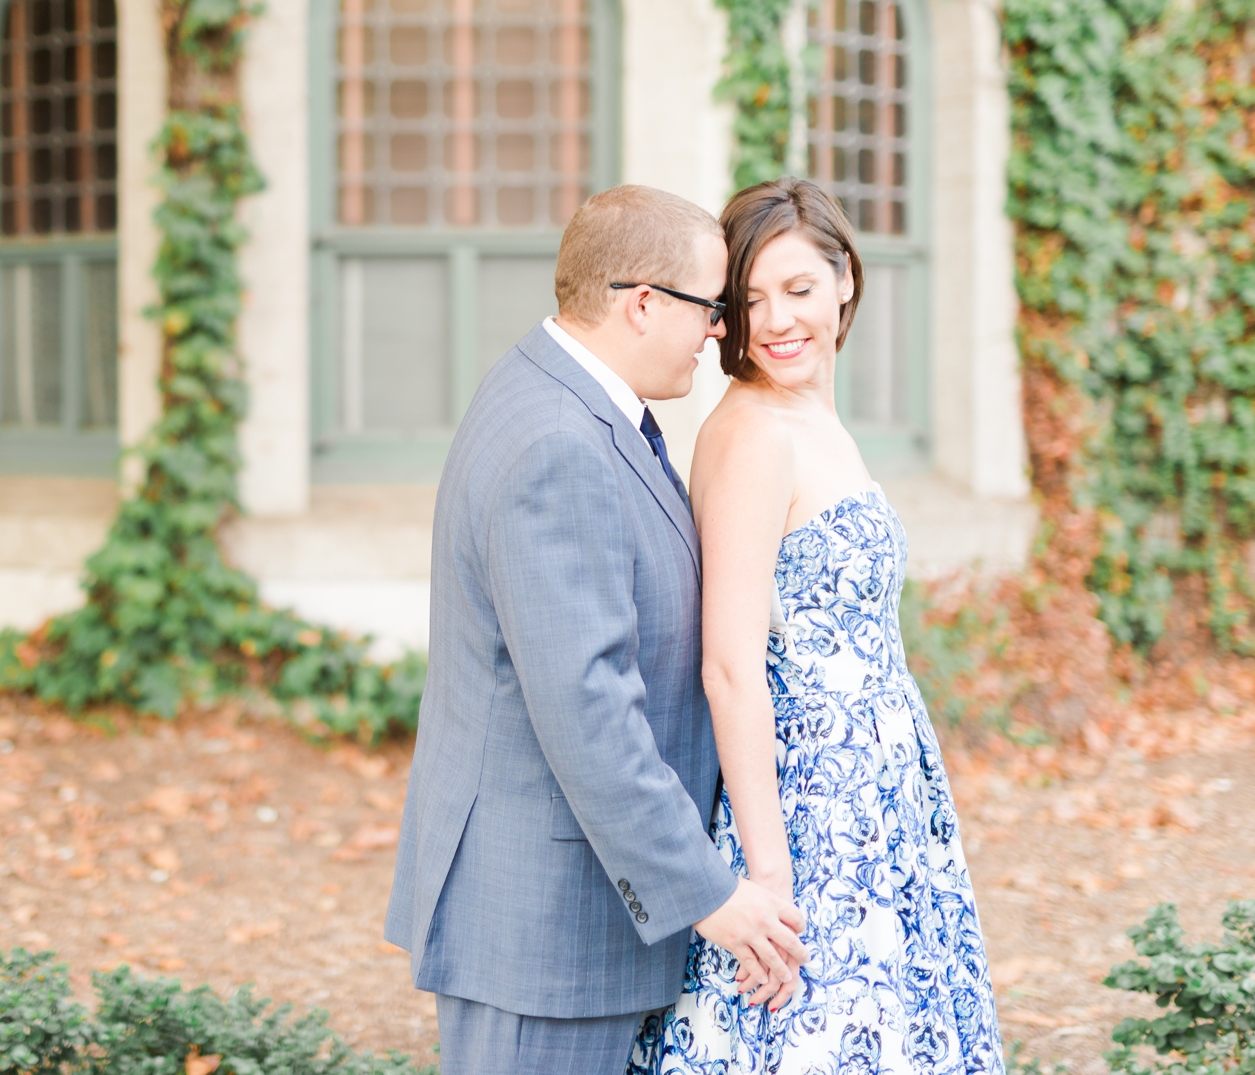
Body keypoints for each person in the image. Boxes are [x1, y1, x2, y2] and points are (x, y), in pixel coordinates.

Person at [385, 185, 808, 1075]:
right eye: (713, 306)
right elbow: (587, 711)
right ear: (643, 301)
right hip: (543, 924)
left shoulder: (562, 396)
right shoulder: (558, 443)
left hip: (556, 907)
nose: (721, 333)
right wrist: (708, 891)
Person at [630, 177, 1004, 1075]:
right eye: (750, 299)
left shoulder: (809, 415)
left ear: (845, 281)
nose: (775, 321)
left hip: (882, 793)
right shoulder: (756, 432)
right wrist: (769, 876)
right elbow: (728, 665)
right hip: (810, 808)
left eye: (797, 289)